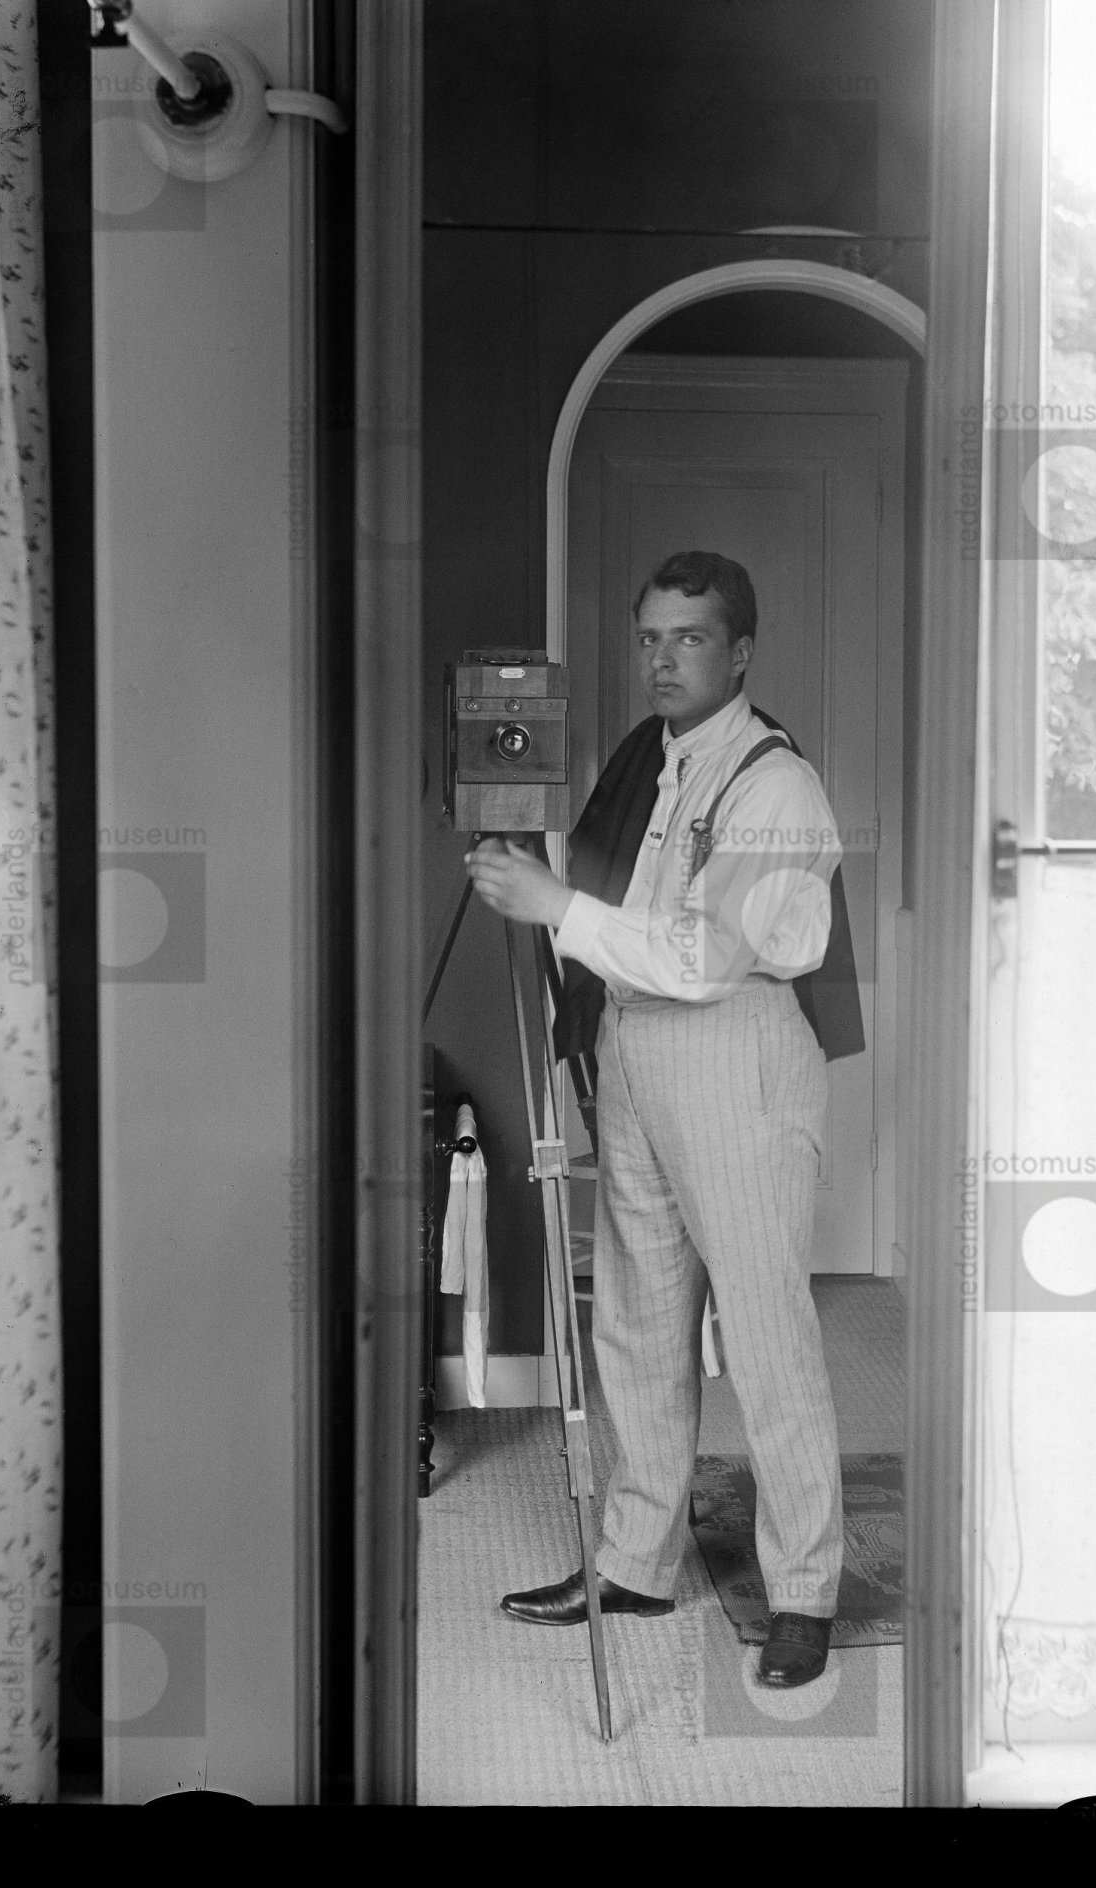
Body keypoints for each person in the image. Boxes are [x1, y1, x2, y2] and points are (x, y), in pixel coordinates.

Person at [465, 550, 846, 1689]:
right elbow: (629, 915)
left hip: (734, 1051)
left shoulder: (774, 783)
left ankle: (803, 1591)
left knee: (766, 1332)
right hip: (637, 1047)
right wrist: (540, 868)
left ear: (740, 651)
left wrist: (553, 904)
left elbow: (708, 954)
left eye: (688, 638)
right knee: (635, 1317)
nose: (662, 659)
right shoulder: (653, 759)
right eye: (649, 638)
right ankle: (635, 1559)